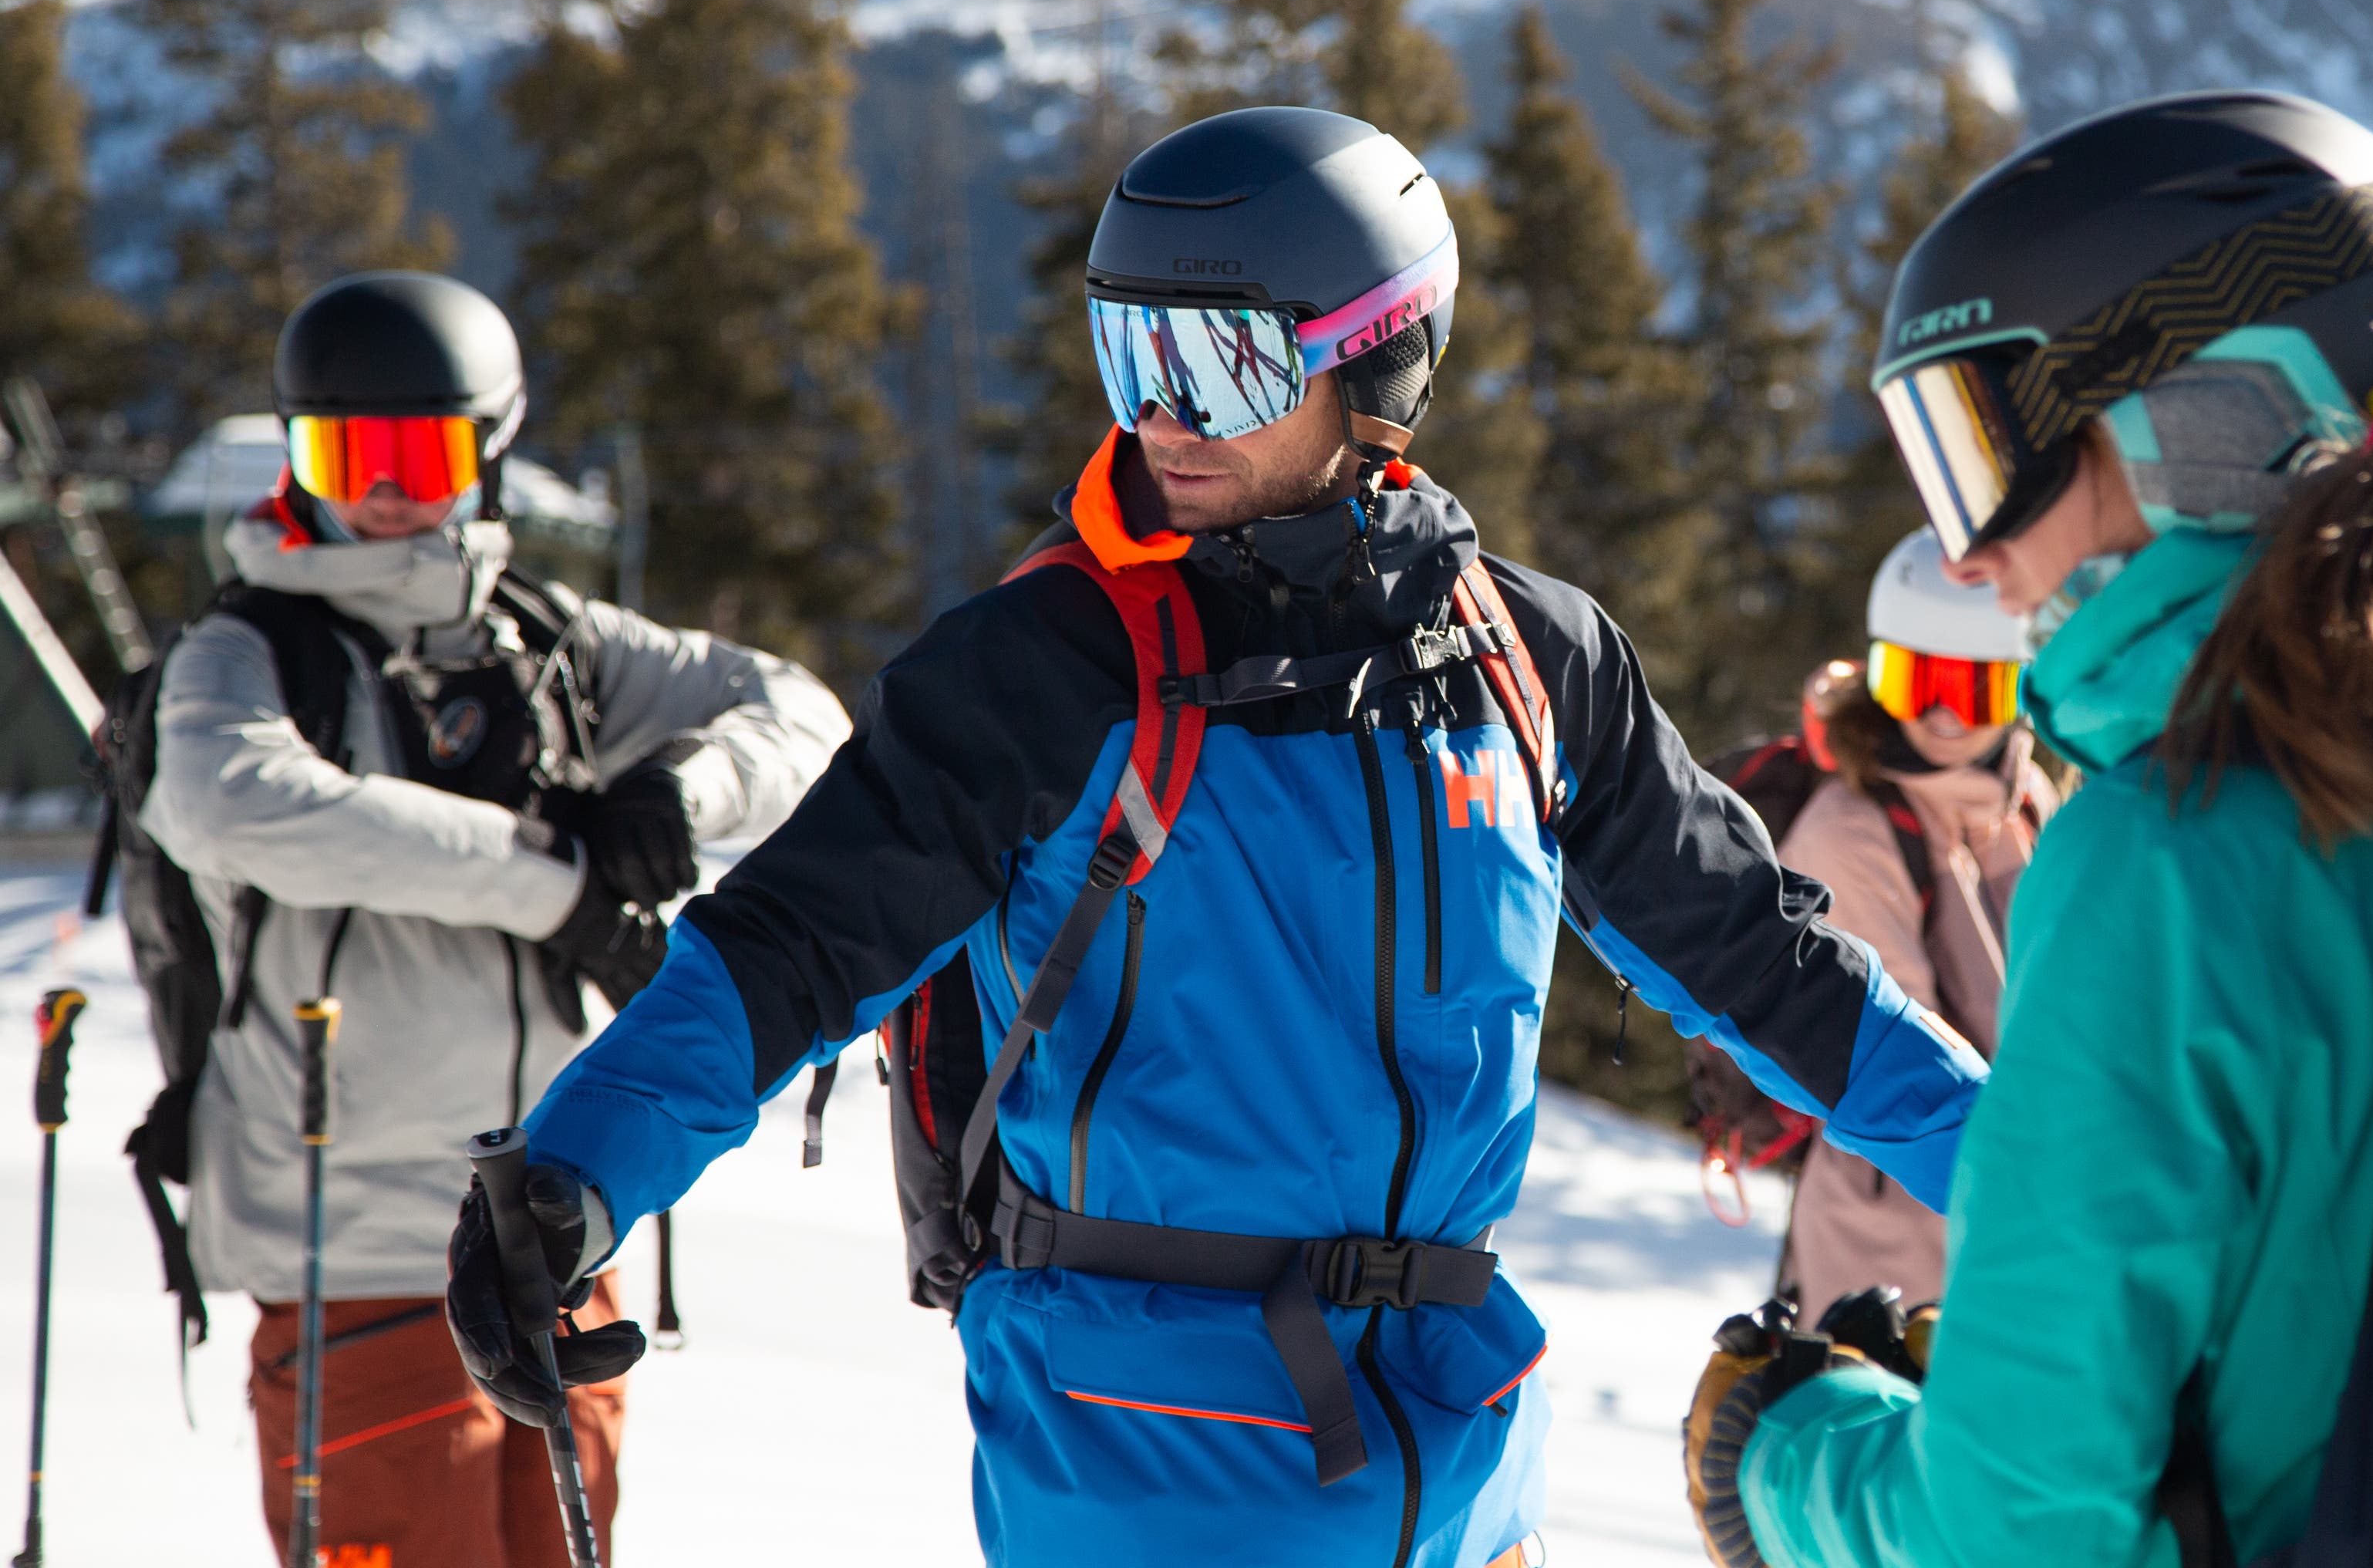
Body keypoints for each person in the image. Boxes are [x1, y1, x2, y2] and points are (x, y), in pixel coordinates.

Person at [443, 106, 1990, 1568]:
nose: (1162, 414)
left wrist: (2029, 1180)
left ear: (1376, 364)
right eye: (1132, 352)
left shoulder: (1526, 663)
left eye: (1221, 362)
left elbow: (1770, 964)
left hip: (1462, 1456)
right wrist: (580, 1176)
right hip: (1145, 1454)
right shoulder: (1047, 668)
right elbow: (787, 952)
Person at [1684, 89, 2373, 1568]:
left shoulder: (2172, 863)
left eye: (1979, 451)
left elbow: (2012, 1535)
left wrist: (1779, 1455)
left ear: (2203, 425)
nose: (1969, 553)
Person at [137, 271, 848, 1568]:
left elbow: (802, 714)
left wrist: (681, 789)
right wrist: (560, 885)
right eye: (343, 453)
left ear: (489, 451)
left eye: (417, 453)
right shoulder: (247, 653)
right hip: (357, 1256)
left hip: (555, 1237)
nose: (382, 490)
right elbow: (238, 803)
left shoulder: (554, 644)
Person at [1775, 530, 2058, 1324]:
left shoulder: (2027, 798)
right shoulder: (1850, 831)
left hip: (2019, 1198)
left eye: (1974, 689)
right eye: (1917, 681)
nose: (1942, 715)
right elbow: (1900, 1054)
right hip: (1894, 1229)